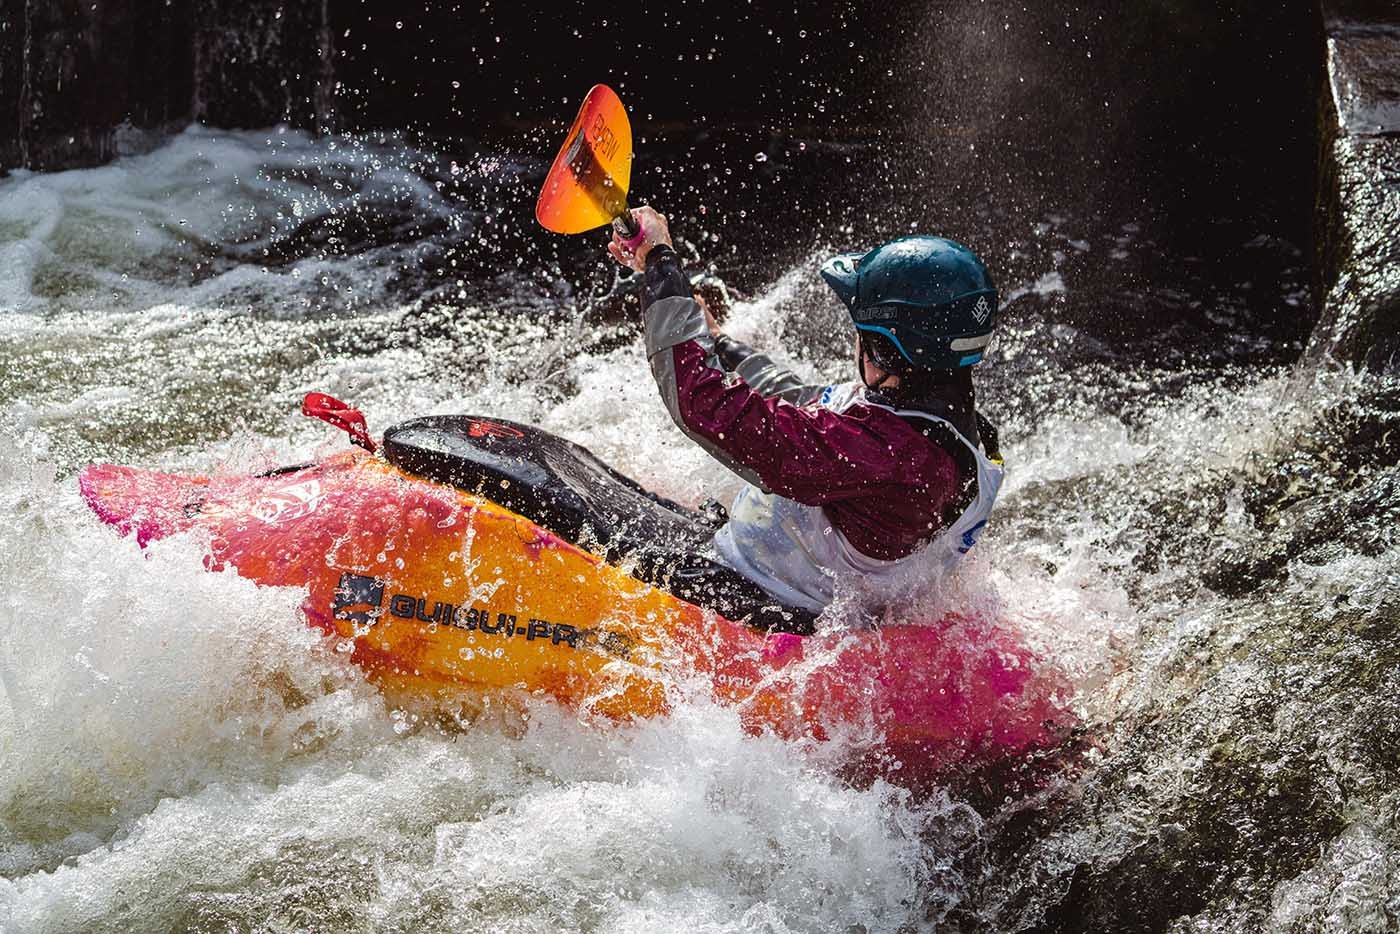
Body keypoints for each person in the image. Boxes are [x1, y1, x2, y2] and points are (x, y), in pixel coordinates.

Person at [608, 206, 1004, 622]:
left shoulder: (883, 455)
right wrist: (716, 341)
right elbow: (802, 400)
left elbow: (702, 404)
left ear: (886, 351)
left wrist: (660, 264)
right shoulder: (953, 429)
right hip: (786, 584)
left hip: (755, 603)